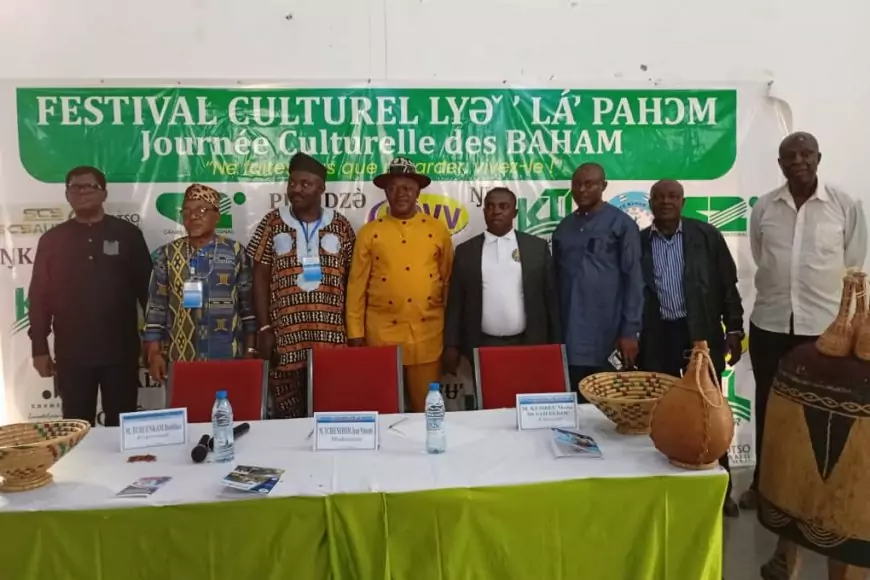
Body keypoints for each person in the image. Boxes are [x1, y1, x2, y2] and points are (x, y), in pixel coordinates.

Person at [742, 132, 867, 511]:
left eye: (805, 153)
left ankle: (817, 494)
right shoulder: (764, 207)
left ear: (818, 157)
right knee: (770, 406)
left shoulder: (844, 205)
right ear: (780, 163)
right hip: (770, 324)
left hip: (826, 331)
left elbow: (853, 262)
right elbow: (761, 256)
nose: (798, 160)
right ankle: (764, 486)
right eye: (789, 155)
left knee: (824, 410)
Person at [637, 179, 744, 518]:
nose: (666, 202)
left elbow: (728, 282)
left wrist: (735, 328)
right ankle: (664, 486)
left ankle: (722, 489)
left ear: (683, 201)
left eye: (672, 196)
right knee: (662, 410)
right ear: (650, 203)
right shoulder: (639, 242)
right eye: (659, 197)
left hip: (701, 333)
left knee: (709, 409)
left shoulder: (706, 236)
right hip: (658, 336)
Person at [28, 166, 152, 426]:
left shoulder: (128, 235)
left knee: (123, 426)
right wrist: (39, 348)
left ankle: (123, 468)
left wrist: (153, 342)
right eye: (75, 187)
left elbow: (148, 293)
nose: (82, 191)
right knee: (75, 427)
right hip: (72, 353)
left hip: (121, 351)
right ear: (67, 195)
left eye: (90, 186)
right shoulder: (53, 240)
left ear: (104, 193)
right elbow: (39, 297)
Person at [247, 153, 356, 418]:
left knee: (331, 415)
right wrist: (264, 328)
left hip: (331, 341)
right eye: (292, 183)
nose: (296, 190)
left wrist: (354, 334)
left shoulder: (341, 225)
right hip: (284, 340)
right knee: (288, 419)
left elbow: (354, 281)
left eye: (305, 184)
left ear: (321, 188)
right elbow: (259, 277)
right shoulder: (272, 223)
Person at [346, 158, 454, 412]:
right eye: (394, 187)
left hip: (427, 334)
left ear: (417, 191)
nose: (400, 193)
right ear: (385, 193)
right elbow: (356, 286)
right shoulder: (369, 232)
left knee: (426, 409)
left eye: (407, 187)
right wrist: (355, 334)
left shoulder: (437, 230)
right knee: (383, 409)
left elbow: (448, 281)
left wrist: (452, 337)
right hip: (381, 335)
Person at [143, 184, 257, 381]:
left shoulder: (236, 252)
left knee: (226, 410)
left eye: (201, 210)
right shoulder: (167, 255)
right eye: (186, 211)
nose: (192, 216)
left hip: (228, 357)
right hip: (181, 359)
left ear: (217, 216)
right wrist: (154, 353)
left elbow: (248, 309)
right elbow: (156, 308)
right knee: (186, 409)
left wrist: (250, 350)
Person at [443, 187, 561, 376]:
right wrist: (451, 344)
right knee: (489, 401)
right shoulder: (466, 251)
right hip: (481, 345)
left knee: (525, 397)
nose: (496, 211)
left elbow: (551, 299)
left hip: (529, 343)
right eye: (490, 206)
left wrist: (556, 344)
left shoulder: (536, 247)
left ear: (514, 212)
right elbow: (456, 302)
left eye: (503, 206)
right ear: (484, 212)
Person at [552, 163, 643, 397]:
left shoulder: (622, 225)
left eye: (589, 184)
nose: (582, 190)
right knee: (573, 406)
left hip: (609, 336)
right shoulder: (564, 228)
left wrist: (629, 331)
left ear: (603, 186)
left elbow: (634, 281)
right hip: (570, 338)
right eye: (577, 184)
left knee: (607, 407)